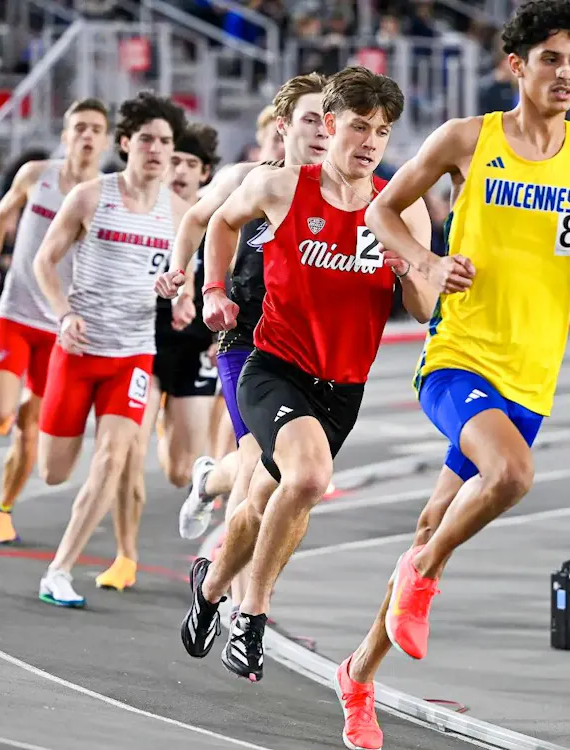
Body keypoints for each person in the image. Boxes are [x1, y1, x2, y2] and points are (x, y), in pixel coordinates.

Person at [333, 2, 570, 747]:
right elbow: (382, 211)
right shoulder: (468, 140)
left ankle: (358, 675)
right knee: (511, 477)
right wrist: (427, 262)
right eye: (551, 60)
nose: (565, 74)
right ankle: (425, 576)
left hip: (530, 380)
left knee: (429, 523)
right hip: (458, 359)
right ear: (517, 66)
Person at [178, 66, 436, 685]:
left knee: (268, 499)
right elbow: (217, 222)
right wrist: (213, 289)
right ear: (330, 124)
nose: (371, 141)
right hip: (273, 366)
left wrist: (408, 271)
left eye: (383, 131)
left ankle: (210, 589)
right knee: (311, 476)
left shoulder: (402, 208)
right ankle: (252, 613)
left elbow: (425, 310)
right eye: (358, 127)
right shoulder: (284, 186)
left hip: (342, 386)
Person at [154, 73, 330, 615]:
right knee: (259, 462)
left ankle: (209, 480)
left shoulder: (336, 192)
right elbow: (195, 220)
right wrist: (185, 277)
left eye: (328, 122)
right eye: (305, 122)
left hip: (301, 352)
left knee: (265, 470)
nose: (317, 134)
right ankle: (238, 600)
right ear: (279, 129)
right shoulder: (246, 179)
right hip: (242, 340)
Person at [30, 91, 189, 608]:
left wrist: (180, 295)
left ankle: (59, 570)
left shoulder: (182, 212)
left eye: (166, 142)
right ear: (126, 144)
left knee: (114, 459)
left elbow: (185, 278)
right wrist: (63, 314)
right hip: (78, 351)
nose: (157, 150)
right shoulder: (91, 197)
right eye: (146, 139)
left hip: (134, 355)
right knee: (53, 471)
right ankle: (37, 422)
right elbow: (44, 262)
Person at [0, 98, 110, 544]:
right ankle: (11, 405)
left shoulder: (107, 195)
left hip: (63, 325)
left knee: (30, 433)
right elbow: (0, 215)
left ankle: (2, 508)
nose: (86, 136)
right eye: (79, 127)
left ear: (105, 142)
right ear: (65, 135)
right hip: (18, 311)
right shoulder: (36, 175)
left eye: (95, 129)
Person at [97, 122, 222, 592]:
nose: (180, 171)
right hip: (143, 344)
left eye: (191, 164)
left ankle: (179, 442)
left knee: (178, 471)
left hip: (192, 349)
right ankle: (125, 555)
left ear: (205, 173)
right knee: (127, 451)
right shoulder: (144, 213)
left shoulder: (219, 217)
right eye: (174, 161)